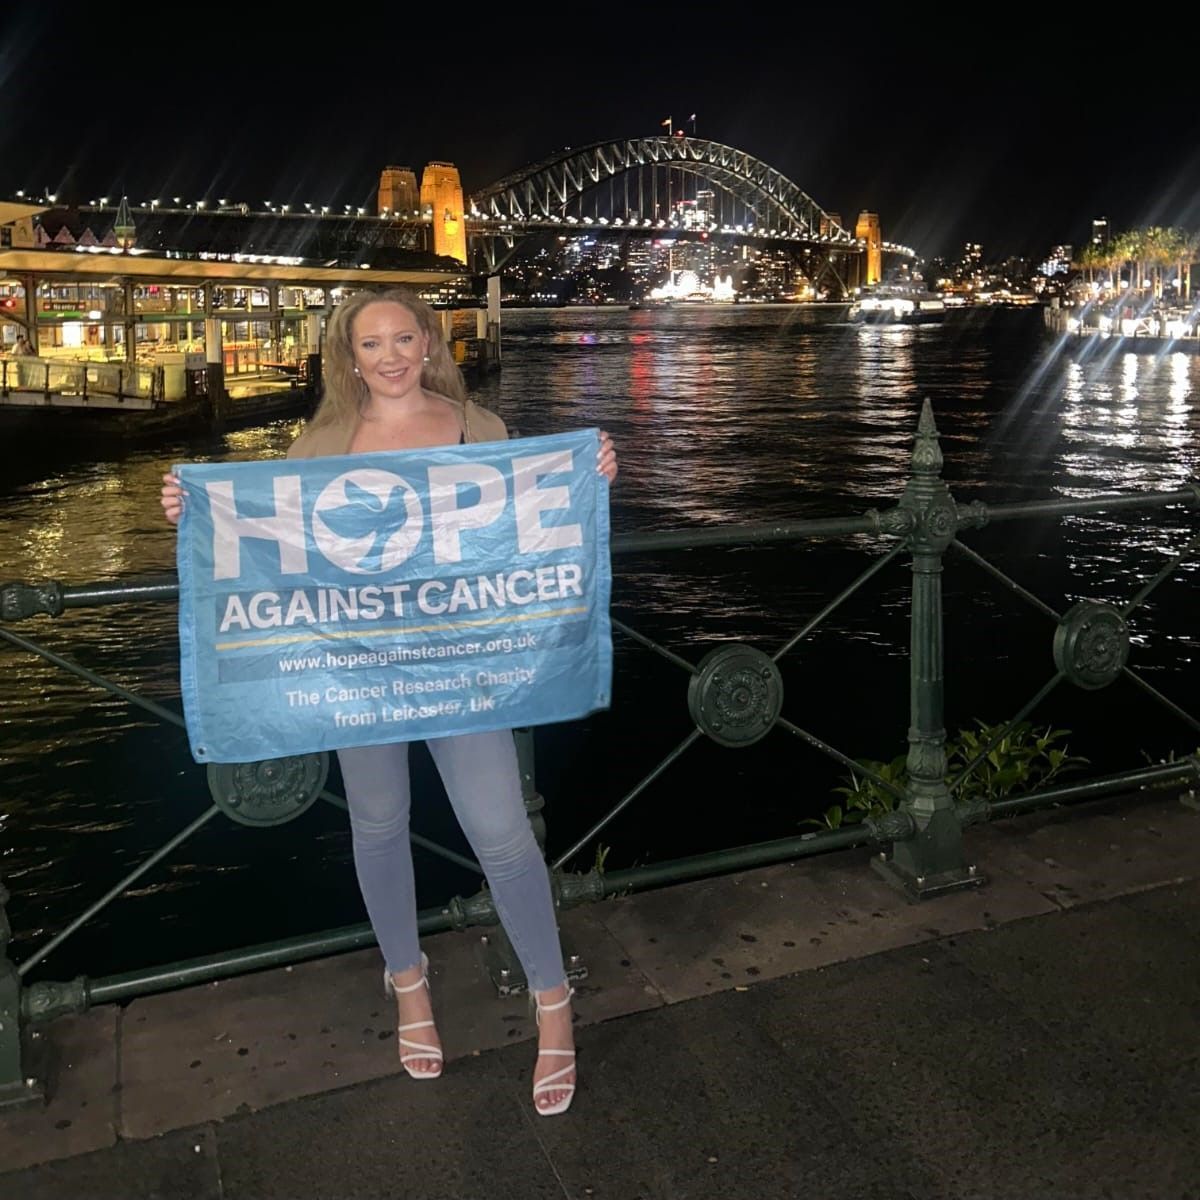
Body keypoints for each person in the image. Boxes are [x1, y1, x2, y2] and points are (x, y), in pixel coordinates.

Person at [161, 287, 617, 1116]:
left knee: (502, 833)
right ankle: (408, 985)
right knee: (377, 824)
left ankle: (553, 1004)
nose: (392, 355)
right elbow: (272, 541)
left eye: (405, 337)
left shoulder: (480, 429)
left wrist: (588, 477)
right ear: (351, 357)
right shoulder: (320, 442)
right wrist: (194, 510)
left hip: (461, 666)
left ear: (429, 343)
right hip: (359, 669)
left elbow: (524, 528)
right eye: (373, 344)